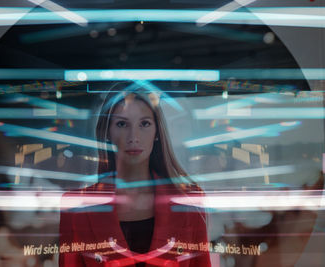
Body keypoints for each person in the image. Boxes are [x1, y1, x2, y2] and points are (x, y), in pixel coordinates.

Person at [59, 90, 211, 267]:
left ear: (156, 132)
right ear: (107, 132)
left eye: (144, 123)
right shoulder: (77, 207)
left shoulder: (189, 202)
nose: (134, 137)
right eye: (122, 124)